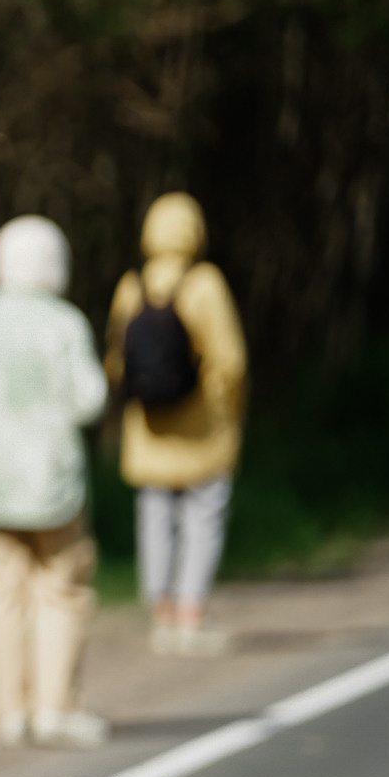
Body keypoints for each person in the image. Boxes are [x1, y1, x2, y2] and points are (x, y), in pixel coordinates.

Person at [0, 217, 111, 749]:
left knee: (2, 597)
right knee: (63, 590)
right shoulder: (63, 323)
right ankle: (55, 707)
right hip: (51, 485)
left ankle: (11, 711)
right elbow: (90, 399)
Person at [105, 192, 247, 657]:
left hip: (148, 428)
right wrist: (229, 409)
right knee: (203, 516)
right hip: (201, 425)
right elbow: (230, 360)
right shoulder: (204, 283)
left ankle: (161, 615)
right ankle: (191, 615)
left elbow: (115, 361)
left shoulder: (131, 286)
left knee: (155, 518)